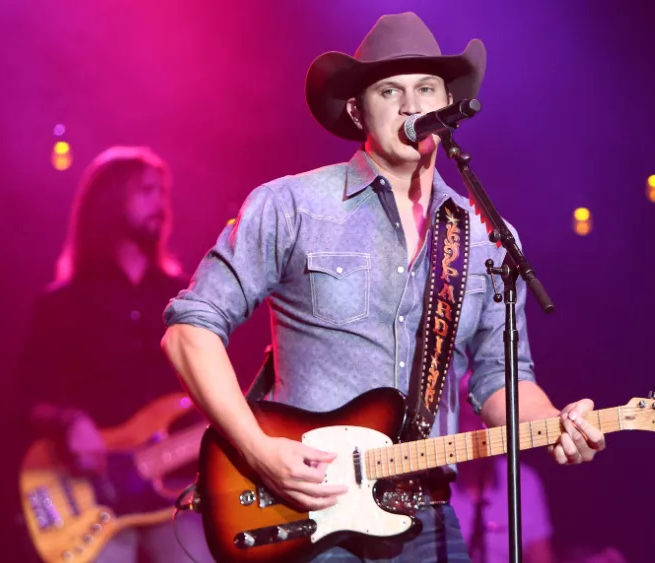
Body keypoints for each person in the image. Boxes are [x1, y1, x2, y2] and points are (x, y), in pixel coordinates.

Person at [161, 12, 606, 562]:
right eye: (390, 90)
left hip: (428, 517)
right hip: (305, 510)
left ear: (448, 104)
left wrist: (556, 425)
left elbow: (502, 380)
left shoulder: (488, 237)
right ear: (357, 110)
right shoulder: (292, 206)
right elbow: (190, 330)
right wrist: (257, 451)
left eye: (426, 89)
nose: (411, 105)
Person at [17, 146, 216, 563]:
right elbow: (27, 397)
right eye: (146, 191)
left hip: (174, 489)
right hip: (90, 491)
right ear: (109, 202)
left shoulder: (184, 296)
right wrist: (69, 422)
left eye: (163, 192)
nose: (160, 203)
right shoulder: (63, 303)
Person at [451, 378, 557, 563]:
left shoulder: (524, 480)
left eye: (486, 422)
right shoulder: (430, 482)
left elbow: (541, 557)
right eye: (469, 419)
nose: (478, 431)